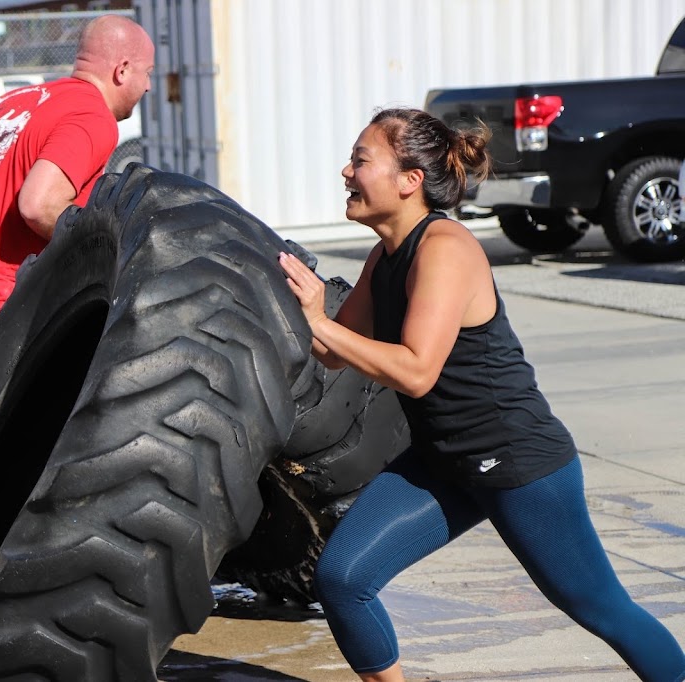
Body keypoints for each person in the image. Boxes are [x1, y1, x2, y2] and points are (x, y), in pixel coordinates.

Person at [278, 107, 685, 682]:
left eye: (361, 161)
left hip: (518, 462)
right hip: (443, 461)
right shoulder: (384, 254)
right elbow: (341, 351)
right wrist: (301, 309)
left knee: (600, 609)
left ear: (409, 181)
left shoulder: (445, 248)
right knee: (343, 580)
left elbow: (416, 370)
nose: (347, 172)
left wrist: (323, 323)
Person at [0, 14, 155, 383]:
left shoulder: (22, 97)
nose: (149, 86)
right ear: (122, 70)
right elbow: (38, 206)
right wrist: (100, 256)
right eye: (147, 73)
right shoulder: (93, 118)